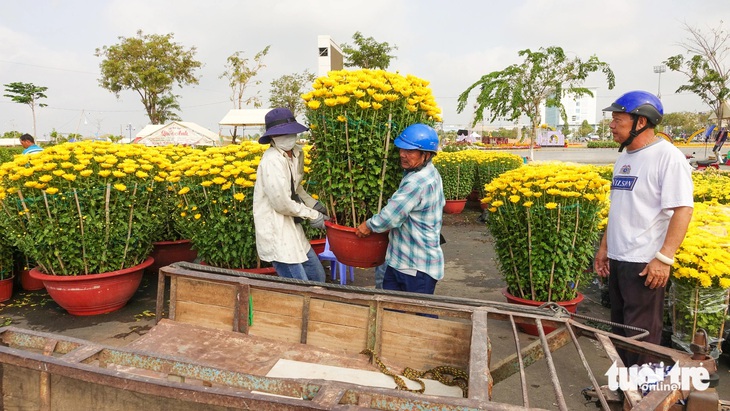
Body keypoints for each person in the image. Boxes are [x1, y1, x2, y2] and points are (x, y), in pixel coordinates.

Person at [593, 91, 694, 367]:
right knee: (620, 331)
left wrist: (664, 258)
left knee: (642, 337)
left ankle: (643, 397)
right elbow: (619, 207)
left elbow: (683, 209)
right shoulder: (625, 157)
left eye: (617, 119)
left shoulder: (667, 157)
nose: (612, 125)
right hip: (619, 259)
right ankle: (625, 387)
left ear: (641, 121)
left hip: (644, 264)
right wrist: (604, 248)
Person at [355, 123, 445, 295]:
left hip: (414, 266)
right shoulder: (430, 173)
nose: (403, 154)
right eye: (402, 149)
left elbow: (390, 218)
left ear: (426, 155)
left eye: (410, 151)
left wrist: (367, 226)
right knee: (393, 313)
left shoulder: (417, 181)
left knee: (418, 318)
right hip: (405, 261)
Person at [253, 108, 328, 282]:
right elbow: (282, 203)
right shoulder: (272, 161)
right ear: (272, 137)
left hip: (293, 227)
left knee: (317, 277)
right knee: (300, 286)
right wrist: (313, 215)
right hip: (276, 230)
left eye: (290, 132)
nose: (288, 137)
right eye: (282, 133)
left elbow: (296, 187)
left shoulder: (296, 153)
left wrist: (314, 204)